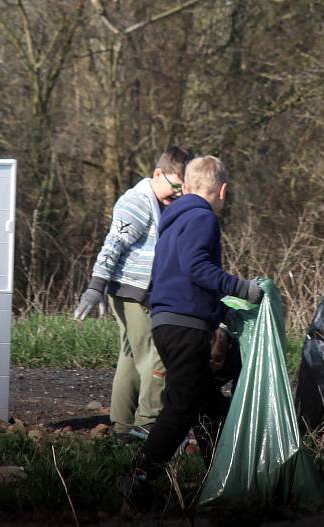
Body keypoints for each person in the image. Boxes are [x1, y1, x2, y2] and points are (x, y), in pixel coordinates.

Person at [132, 155, 264, 479]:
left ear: (187, 185)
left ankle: (223, 481)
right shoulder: (203, 219)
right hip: (185, 327)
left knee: (210, 407)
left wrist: (223, 311)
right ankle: (139, 479)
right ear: (223, 190)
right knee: (180, 408)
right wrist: (241, 288)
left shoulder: (172, 222)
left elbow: (177, 275)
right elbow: (197, 268)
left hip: (166, 323)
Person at [73, 146, 194, 441]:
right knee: (156, 356)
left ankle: (123, 425)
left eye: (184, 189)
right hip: (133, 293)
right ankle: (148, 422)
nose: (179, 194)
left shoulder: (159, 203)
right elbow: (112, 244)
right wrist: (95, 287)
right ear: (157, 174)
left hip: (140, 292)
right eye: (176, 186)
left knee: (131, 357)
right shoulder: (137, 202)